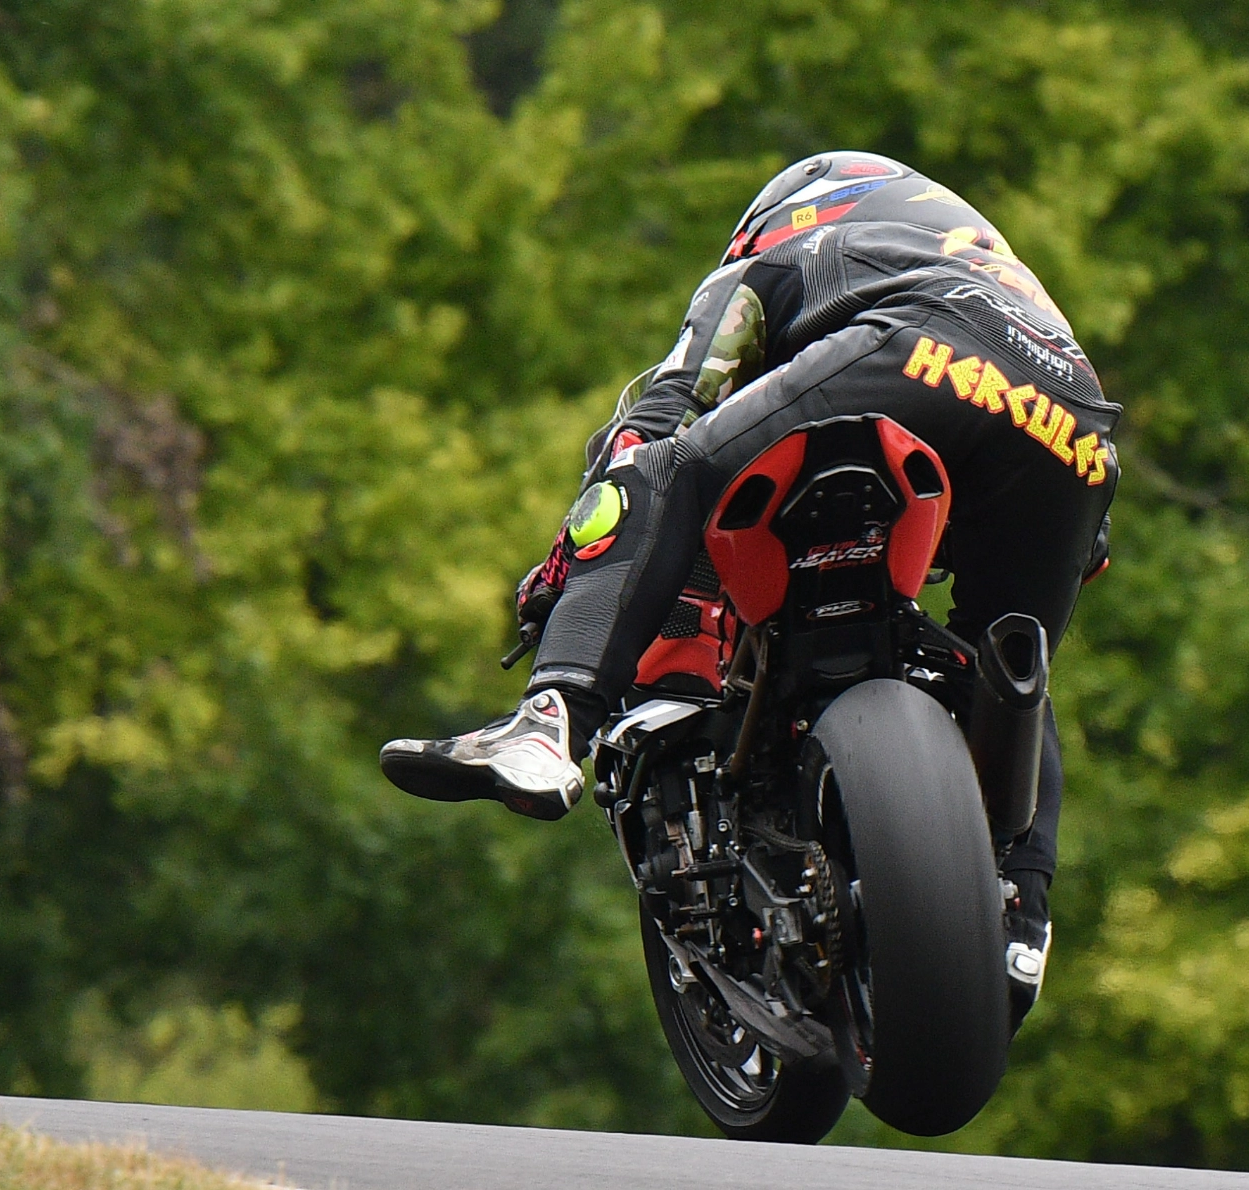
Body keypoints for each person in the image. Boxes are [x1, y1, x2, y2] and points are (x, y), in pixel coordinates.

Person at [380, 152, 1118, 1023]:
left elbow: (666, 416)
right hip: (1079, 432)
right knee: (1008, 660)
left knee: (662, 469)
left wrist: (568, 570)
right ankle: (1021, 912)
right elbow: (1090, 553)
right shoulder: (989, 270)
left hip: (922, 356)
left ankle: (551, 724)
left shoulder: (775, 257)